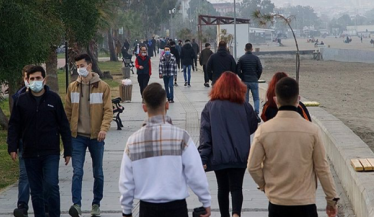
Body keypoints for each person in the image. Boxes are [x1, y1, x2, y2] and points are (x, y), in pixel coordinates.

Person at [248, 77, 339, 217]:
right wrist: (331, 200)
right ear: (298, 99)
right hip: (305, 203)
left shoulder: (264, 130)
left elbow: (252, 166)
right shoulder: (312, 130)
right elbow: (322, 168)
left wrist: (266, 186)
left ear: (276, 99)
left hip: (277, 203)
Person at [119, 83, 211, 217]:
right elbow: (195, 173)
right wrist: (205, 201)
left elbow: (126, 181)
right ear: (167, 105)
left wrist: (126, 210)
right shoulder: (182, 137)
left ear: (144, 108)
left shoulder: (133, 141)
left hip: (147, 208)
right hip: (176, 207)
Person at [8, 65, 72, 217]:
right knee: (36, 191)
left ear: (44, 79)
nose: (35, 81)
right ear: (27, 80)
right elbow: (14, 125)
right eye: (32, 79)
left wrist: (67, 150)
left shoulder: (54, 99)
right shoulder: (21, 100)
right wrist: (12, 147)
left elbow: (63, 125)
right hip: (30, 152)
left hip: (50, 152)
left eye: (38, 78)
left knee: (51, 186)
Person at [199, 72, 258, 217]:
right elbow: (253, 126)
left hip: (220, 155)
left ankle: (224, 215)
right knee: (237, 187)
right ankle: (236, 214)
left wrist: (203, 158)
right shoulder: (244, 106)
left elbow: (205, 134)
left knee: (222, 188)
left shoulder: (210, 106)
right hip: (240, 154)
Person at [65, 54, 113, 217]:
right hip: (77, 136)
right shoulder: (72, 87)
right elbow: (68, 111)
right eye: (77, 66)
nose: (80, 69)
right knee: (77, 171)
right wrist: (67, 134)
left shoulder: (103, 87)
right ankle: (76, 204)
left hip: (96, 137)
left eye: (82, 65)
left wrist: (103, 129)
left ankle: (96, 204)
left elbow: (108, 111)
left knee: (97, 172)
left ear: (90, 66)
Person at [11, 64, 33, 217]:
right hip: (23, 142)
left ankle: (45, 204)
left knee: (43, 175)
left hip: (41, 143)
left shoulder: (48, 96)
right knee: (24, 174)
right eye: (26, 77)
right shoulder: (18, 96)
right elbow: (14, 123)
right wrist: (12, 145)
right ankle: (22, 205)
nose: (29, 80)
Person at [237, 43, 263, 122]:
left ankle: (246, 114)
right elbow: (260, 69)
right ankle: (256, 114)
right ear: (252, 49)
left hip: (245, 81)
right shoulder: (256, 58)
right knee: (256, 98)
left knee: (246, 99)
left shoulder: (241, 58)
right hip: (254, 80)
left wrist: (242, 77)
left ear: (245, 49)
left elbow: (238, 70)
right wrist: (256, 77)